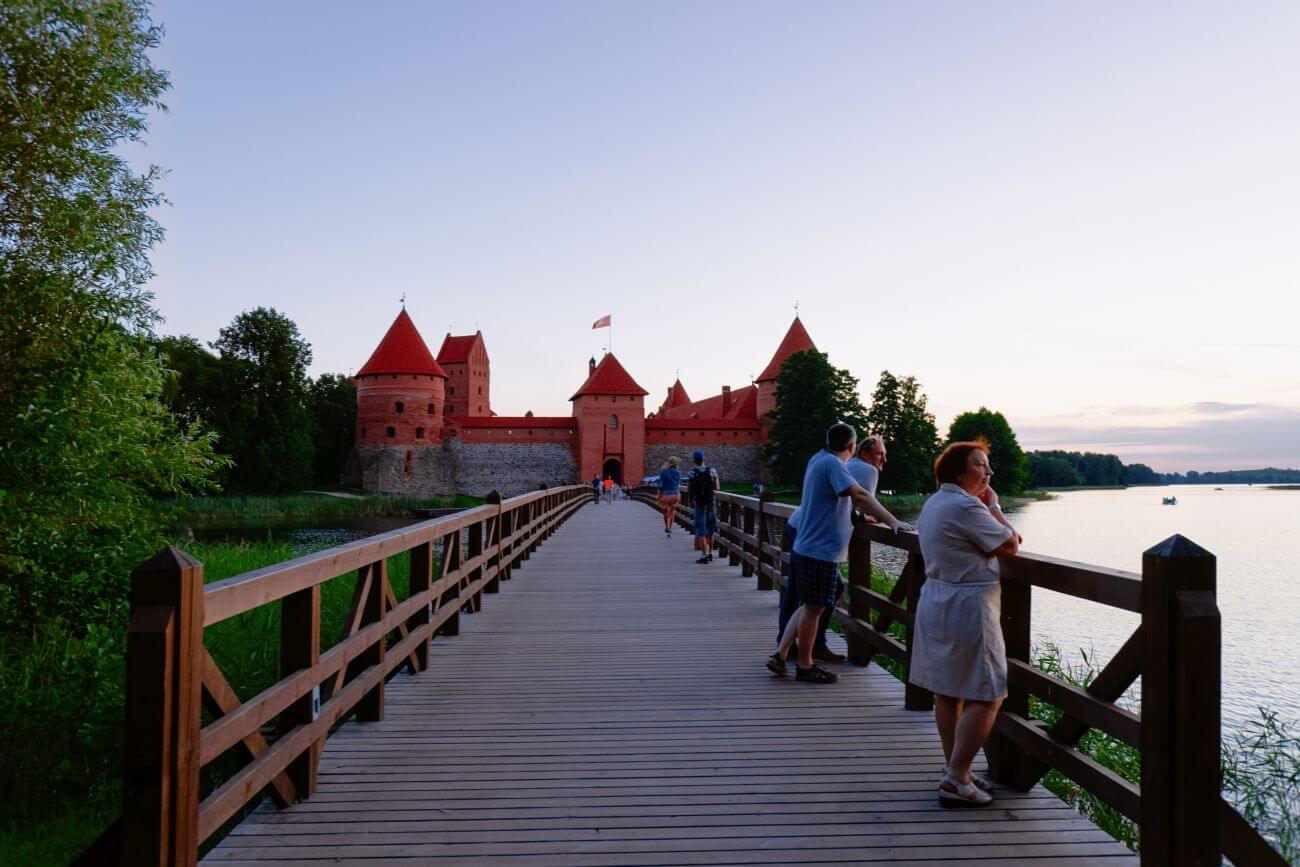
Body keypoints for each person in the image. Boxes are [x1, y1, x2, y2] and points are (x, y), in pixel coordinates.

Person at [910, 439, 1021, 808]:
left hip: (938, 600)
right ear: (959, 472)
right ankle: (957, 776)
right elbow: (1010, 544)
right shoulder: (967, 505)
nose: (988, 472)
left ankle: (955, 768)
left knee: (949, 690)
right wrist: (995, 506)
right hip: (969, 606)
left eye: (988, 465)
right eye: (980, 465)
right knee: (989, 694)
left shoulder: (935, 502)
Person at [767, 423, 913, 684]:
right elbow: (859, 494)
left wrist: (857, 517)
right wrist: (893, 522)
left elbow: (836, 500)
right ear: (853, 447)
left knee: (809, 604)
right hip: (820, 549)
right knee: (814, 608)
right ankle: (805, 665)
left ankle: (781, 653)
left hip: (806, 543)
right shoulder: (834, 464)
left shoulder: (818, 459)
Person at [776, 434, 891, 663]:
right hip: (816, 537)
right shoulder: (866, 470)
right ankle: (807, 652)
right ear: (860, 450)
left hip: (797, 525)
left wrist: (859, 515)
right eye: (880, 454)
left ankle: (787, 648)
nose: (883, 460)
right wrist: (893, 522)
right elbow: (861, 499)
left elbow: (846, 502)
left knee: (801, 594)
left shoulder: (826, 460)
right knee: (816, 599)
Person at [687, 450, 720, 564]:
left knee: (700, 528)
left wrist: (690, 500)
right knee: (711, 527)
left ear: (694, 461)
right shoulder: (712, 470)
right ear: (704, 459)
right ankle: (711, 553)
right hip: (711, 502)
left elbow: (690, 489)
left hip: (699, 502)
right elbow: (717, 488)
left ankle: (704, 555)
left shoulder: (692, 472)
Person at [657, 457, 682, 536]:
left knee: (665, 512)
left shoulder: (663, 472)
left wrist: (660, 493)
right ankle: (670, 528)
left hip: (666, 495)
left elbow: (660, 485)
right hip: (676, 495)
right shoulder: (678, 472)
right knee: (672, 512)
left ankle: (667, 527)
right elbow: (678, 483)